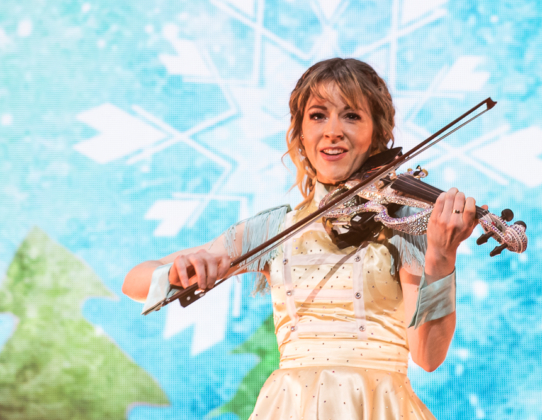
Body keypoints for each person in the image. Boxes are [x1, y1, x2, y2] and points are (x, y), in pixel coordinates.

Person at [123, 58, 484, 419]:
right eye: (318, 115)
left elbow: (428, 356)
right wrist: (179, 271)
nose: (333, 131)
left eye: (352, 115)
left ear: (377, 133)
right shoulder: (273, 229)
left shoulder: (401, 223)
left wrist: (441, 257)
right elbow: (134, 282)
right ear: (299, 133)